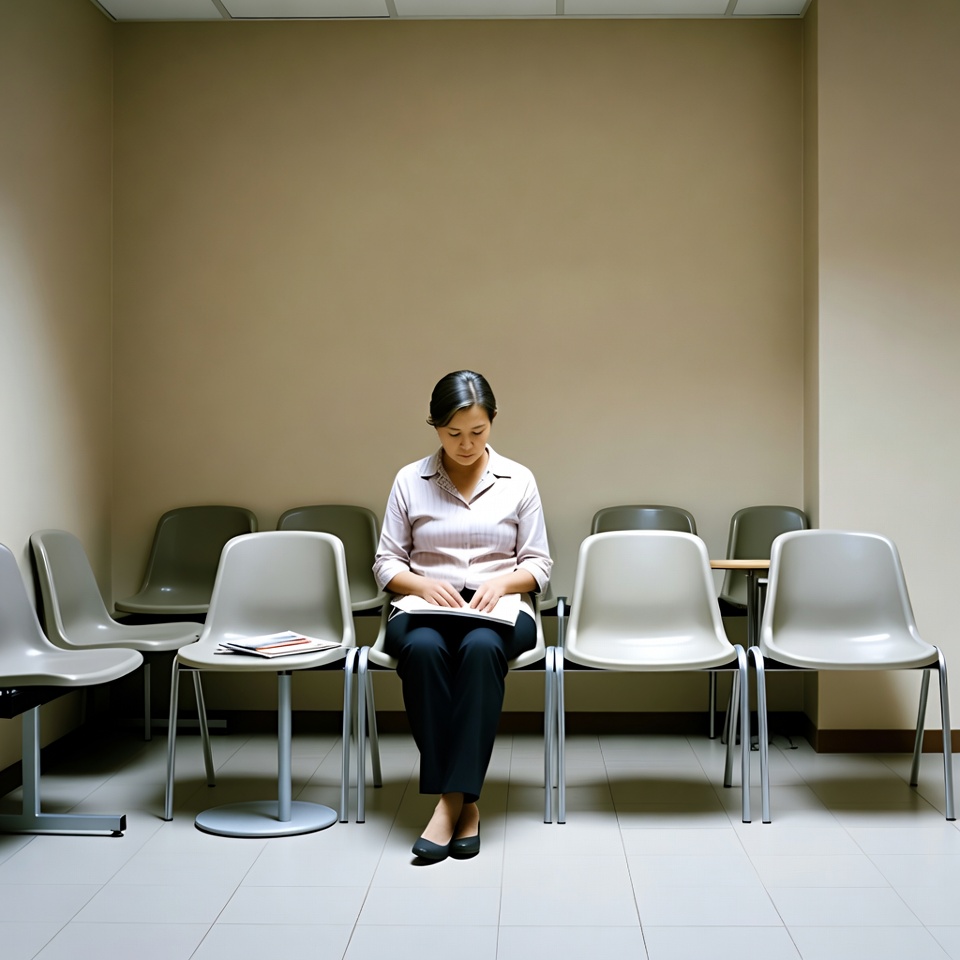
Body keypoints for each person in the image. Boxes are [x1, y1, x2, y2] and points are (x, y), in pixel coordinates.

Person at [373, 370, 552, 861]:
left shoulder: (519, 479)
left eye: (478, 431)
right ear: (435, 427)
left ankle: (448, 804)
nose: (466, 444)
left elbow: (539, 563)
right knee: (423, 649)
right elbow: (386, 563)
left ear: (492, 422)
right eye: (454, 433)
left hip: (496, 609)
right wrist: (422, 582)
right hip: (427, 606)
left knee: (480, 649)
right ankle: (465, 802)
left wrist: (502, 581)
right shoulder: (410, 480)